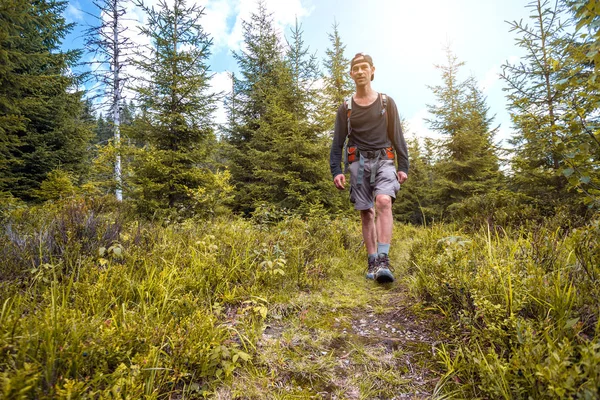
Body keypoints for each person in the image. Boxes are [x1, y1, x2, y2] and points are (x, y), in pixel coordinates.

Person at [330, 52, 409, 283]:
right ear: (351, 74)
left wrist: (403, 165)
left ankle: (384, 260)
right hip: (357, 163)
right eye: (357, 68)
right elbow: (337, 143)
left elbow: (398, 136)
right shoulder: (346, 107)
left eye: (365, 67)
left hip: (385, 160)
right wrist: (336, 170)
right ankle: (372, 260)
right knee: (366, 212)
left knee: (384, 201)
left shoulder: (386, 102)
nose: (361, 71)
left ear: (372, 71)